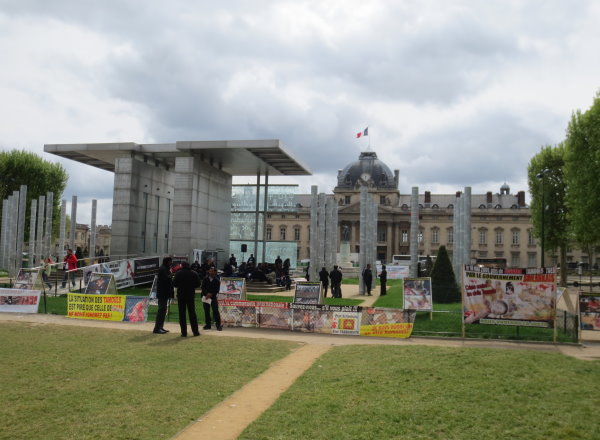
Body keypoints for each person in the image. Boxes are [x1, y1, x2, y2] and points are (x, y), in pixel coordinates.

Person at [172, 261, 201, 337]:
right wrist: (191, 286)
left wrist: (180, 286)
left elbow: (174, 284)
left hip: (181, 295)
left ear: (182, 266)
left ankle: (184, 332)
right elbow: (198, 284)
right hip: (190, 295)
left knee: (182, 314)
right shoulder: (194, 273)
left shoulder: (178, 273)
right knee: (192, 313)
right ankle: (195, 331)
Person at [153, 257, 174, 334]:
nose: (171, 263)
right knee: (161, 310)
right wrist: (170, 276)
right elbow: (165, 279)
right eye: (170, 261)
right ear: (167, 261)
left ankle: (160, 327)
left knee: (163, 310)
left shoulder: (165, 268)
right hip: (162, 293)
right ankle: (157, 328)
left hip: (165, 292)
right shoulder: (162, 269)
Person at [201, 266, 222, 331]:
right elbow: (202, 287)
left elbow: (217, 289)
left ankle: (218, 325)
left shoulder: (217, 281)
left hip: (213, 297)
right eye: (210, 271)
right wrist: (206, 294)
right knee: (206, 311)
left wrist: (211, 294)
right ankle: (208, 325)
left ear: (215, 272)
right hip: (205, 297)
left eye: (213, 271)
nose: (211, 272)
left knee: (215, 311)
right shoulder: (205, 279)